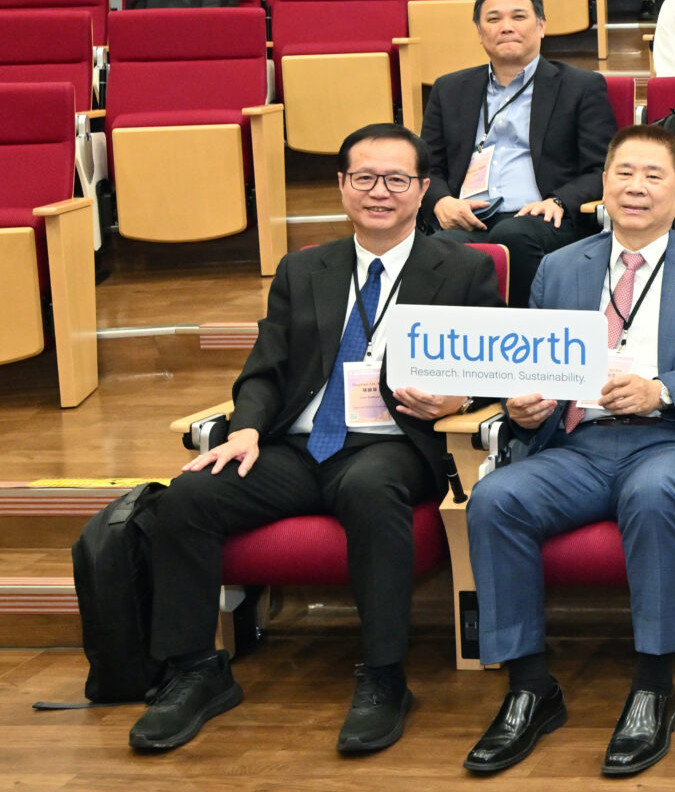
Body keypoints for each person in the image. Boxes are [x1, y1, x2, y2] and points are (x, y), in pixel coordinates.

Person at [128, 124, 499, 756]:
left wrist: (460, 400)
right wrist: (245, 429)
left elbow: (495, 367)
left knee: (369, 487)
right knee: (189, 497)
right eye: (364, 178)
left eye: (396, 180)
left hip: (395, 443)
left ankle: (384, 678)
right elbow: (265, 369)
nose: (379, 192)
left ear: (422, 189)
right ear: (341, 186)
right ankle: (197, 671)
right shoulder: (304, 269)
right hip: (300, 446)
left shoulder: (462, 268)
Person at [461, 125, 675, 779]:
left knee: (652, 493)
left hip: (674, 440)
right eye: (624, 172)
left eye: (654, 175)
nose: (636, 187)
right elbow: (532, 365)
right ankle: (529, 686)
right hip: (581, 441)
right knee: (495, 497)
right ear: (603, 184)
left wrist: (661, 390)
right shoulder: (560, 267)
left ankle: (654, 684)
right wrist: (523, 401)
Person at [420, 0, 615, 305]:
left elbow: (603, 168)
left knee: (514, 235)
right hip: (468, 215)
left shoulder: (580, 87)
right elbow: (426, 167)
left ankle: (524, 337)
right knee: (440, 248)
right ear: (480, 33)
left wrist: (558, 201)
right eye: (494, 19)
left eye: (519, 17)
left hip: (544, 216)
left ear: (541, 26)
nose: (506, 27)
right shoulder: (449, 89)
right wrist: (441, 202)